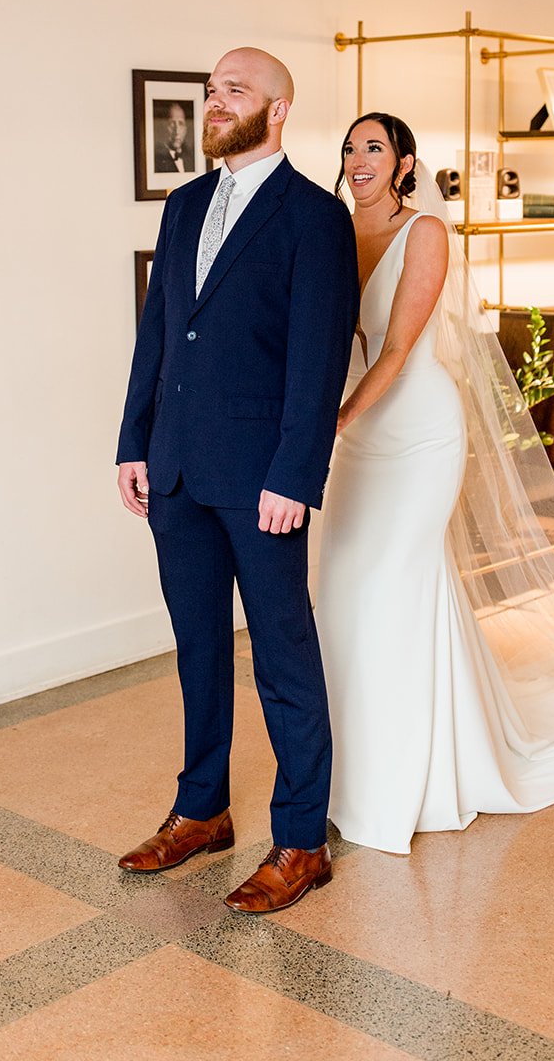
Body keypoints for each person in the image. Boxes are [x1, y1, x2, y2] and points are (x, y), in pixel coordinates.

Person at [316, 111, 554, 855]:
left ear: (405, 165)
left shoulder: (425, 235)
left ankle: (417, 775)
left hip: (413, 433)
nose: (357, 160)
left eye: (373, 149)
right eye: (349, 148)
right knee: (342, 588)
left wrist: (332, 422)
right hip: (356, 438)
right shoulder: (327, 231)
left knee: (397, 583)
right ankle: (354, 764)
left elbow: (398, 350)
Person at [116, 49, 358, 911]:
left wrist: (294, 475)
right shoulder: (183, 207)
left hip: (262, 482)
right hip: (176, 469)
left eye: (235, 92)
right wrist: (132, 443)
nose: (215, 104)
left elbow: (317, 360)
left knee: (283, 658)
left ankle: (298, 840)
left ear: (279, 110)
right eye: (211, 91)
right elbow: (158, 334)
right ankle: (202, 810)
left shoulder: (314, 219)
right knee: (197, 649)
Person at [154, 101, 194, 174]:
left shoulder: (192, 158)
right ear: (164, 126)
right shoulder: (156, 160)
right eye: (172, 123)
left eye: (181, 123)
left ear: (185, 129)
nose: (177, 131)